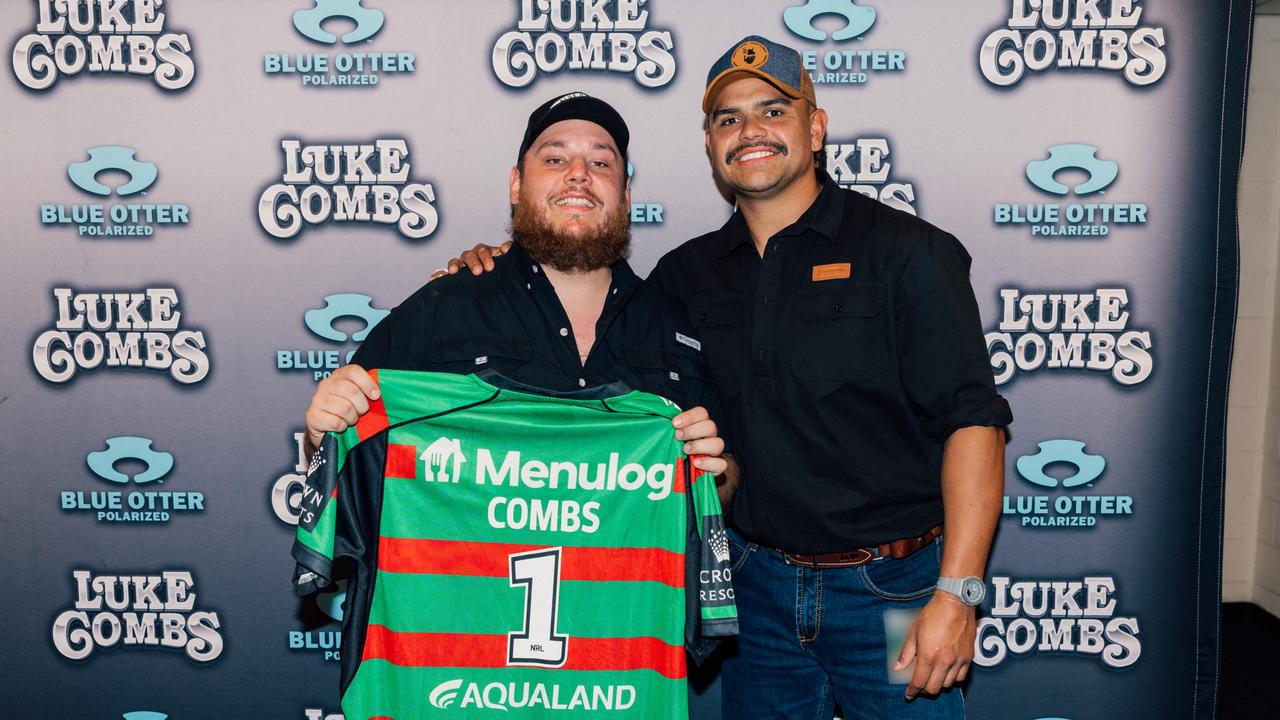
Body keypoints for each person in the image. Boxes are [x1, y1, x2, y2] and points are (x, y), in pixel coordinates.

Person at [441, 36, 1011, 720]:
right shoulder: (686, 276)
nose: (751, 132)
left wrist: (959, 594)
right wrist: (504, 265)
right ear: (711, 144)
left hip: (894, 591)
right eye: (728, 119)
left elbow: (973, 423)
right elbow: (584, 337)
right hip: (753, 597)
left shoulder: (909, 252)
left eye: (773, 110)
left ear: (815, 127)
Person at [303, 91, 728, 490]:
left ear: (626, 194)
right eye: (556, 159)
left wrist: (715, 475)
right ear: (516, 185)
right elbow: (349, 467)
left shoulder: (675, 322)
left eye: (601, 164)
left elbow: (725, 485)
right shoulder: (442, 308)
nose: (579, 174)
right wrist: (321, 435)